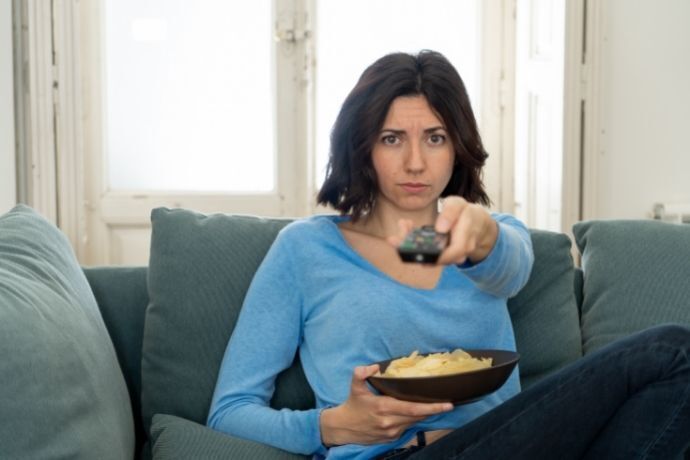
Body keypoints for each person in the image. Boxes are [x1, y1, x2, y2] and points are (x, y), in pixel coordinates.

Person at [207, 50, 690, 459]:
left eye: (435, 138)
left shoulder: (487, 239)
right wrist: (331, 426)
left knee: (673, 361)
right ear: (362, 148)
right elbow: (229, 409)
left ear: (457, 149)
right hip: (394, 454)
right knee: (671, 350)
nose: (415, 162)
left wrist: (481, 233)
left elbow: (506, 265)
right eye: (392, 138)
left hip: (506, 443)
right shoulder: (307, 250)